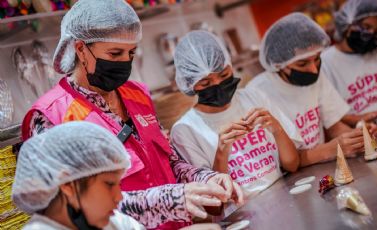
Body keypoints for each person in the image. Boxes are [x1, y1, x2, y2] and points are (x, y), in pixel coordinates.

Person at [20, 0, 242, 228]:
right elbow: (72, 207)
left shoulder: (137, 94)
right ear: (80, 49)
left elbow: (170, 162)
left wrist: (206, 178)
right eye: (115, 53)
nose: (125, 62)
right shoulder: (52, 116)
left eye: (131, 52)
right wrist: (170, 199)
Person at [170, 31, 301, 198]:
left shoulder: (254, 96)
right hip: (240, 215)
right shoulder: (185, 130)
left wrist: (276, 128)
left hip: (284, 196)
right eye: (205, 82)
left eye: (224, 75)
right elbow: (213, 202)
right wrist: (222, 152)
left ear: (230, 65)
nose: (218, 84)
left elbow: (292, 165)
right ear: (190, 84)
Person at [247, 13, 365, 167]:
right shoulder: (258, 93)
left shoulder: (316, 77)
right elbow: (285, 163)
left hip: (323, 166)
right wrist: (332, 149)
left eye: (316, 58)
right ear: (278, 65)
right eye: (302, 64)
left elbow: (334, 126)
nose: (314, 70)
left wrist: (358, 138)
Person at [13, 121, 144, 230]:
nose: (119, 197)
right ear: (68, 184)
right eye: (109, 184)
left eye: (118, 184)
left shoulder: (116, 223)